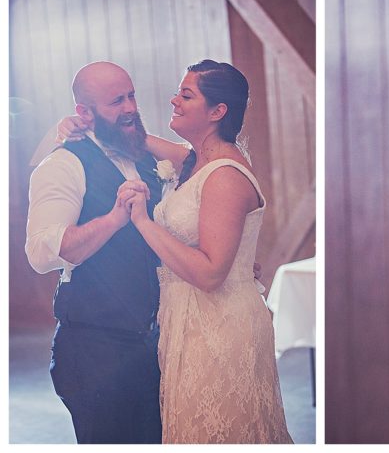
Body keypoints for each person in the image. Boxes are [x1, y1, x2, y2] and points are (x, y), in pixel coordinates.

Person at [100, 59, 291, 443]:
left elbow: (209, 273)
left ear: (217, 111)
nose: (174, 100)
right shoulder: (194, 159)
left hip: (219, 324)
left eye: (186, 95)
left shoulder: (224, 175)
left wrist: (143, 221)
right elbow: (134, 141)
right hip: (188, 319)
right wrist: (78, 125)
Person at [26, 61, 163, 443]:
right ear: (84, 113)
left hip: (155, 346)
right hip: (96, 351)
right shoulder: (62, 165)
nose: (130, 107)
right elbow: (40, 252)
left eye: (131, 96)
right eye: (116, 101)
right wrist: (114, 219)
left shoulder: (144, 156)